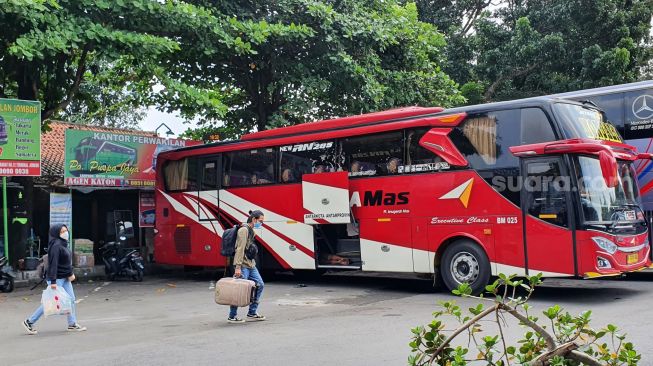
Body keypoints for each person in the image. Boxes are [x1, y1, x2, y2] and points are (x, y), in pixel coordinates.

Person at [23, 224, 86, 335]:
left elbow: (65, 263)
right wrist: (53, 282)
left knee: (71, 299)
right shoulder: (56, 245)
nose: (65, 233)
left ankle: (72, 324)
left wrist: (70, 273)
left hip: (65, 277)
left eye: (66, 230)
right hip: (56, 279)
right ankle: (29, 321)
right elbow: (54, 265)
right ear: (56, 233)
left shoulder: (64, 244)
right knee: (50, 303)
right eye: (62, 231)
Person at [228, 210, 266, 324]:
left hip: (250, 264)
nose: (261, 223)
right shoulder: (243, 230)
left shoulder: (251, 230)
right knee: (239, 290)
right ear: (254, 219)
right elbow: (239, 249)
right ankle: (232, 316)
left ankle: (252, 312)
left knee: (260, 284)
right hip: (243, 265)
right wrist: (238, 267)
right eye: (260, 221)